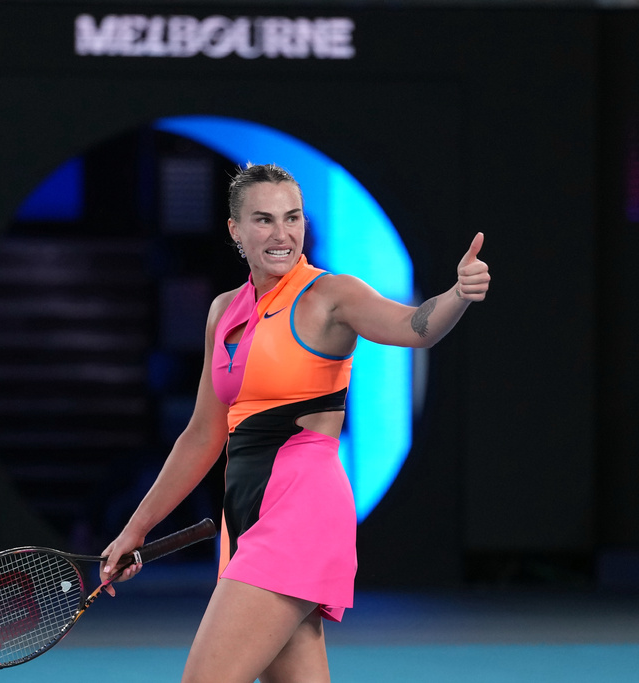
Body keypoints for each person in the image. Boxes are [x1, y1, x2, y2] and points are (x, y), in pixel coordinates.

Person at [99, 163, 490, 683]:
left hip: (302, 513)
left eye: (293, 217)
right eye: (263, 220)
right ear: (236, 230)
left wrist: (458, 294)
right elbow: (202, 435)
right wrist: (136, 528)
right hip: (243, 520)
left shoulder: (332, 296)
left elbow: (414, 328)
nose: (282, 233)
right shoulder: (224, 311)